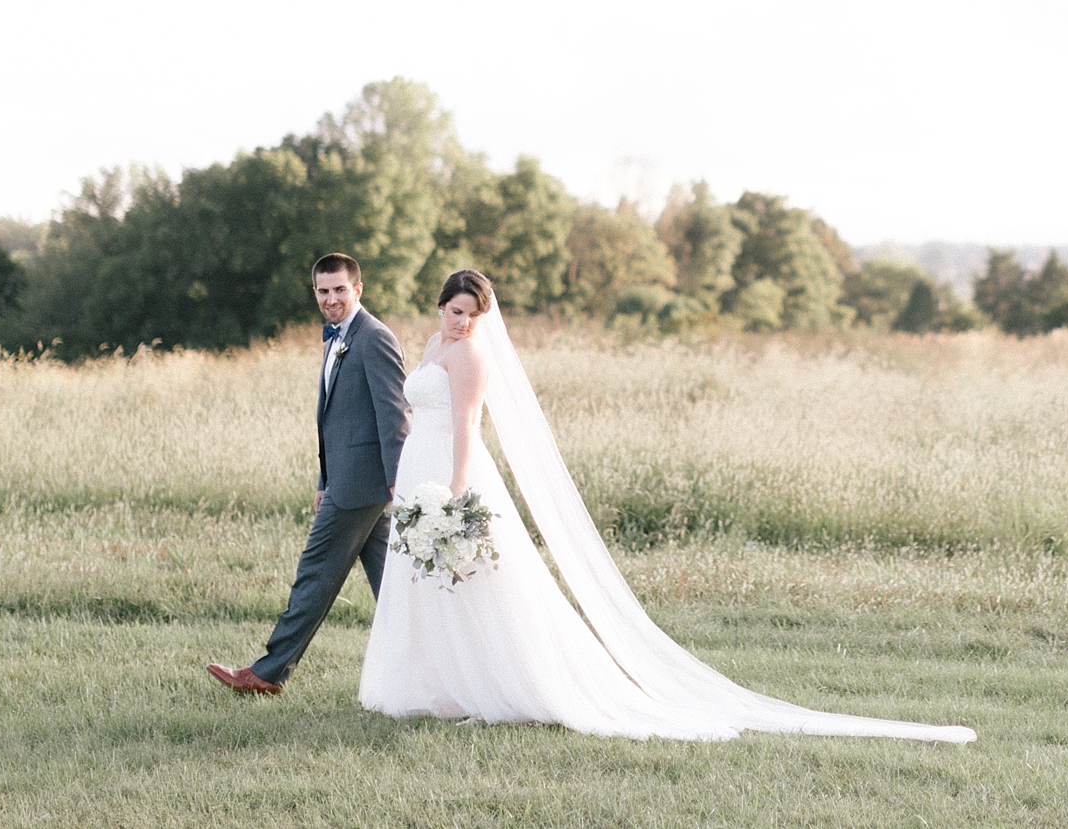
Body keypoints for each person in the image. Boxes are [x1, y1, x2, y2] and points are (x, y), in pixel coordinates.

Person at [358, 268, 975, 743]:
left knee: (473, 582)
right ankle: (437, 685)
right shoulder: (435, 343)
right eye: (455, 310)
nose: (461, 321)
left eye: (471, 314)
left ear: (482, 319)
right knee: (426, 580)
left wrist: (457, 495)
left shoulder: (469, 355)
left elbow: (468, 426)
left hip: (453, 475)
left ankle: (489, 689)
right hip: (420, 470)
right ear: (440, 306)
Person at [209, 253, 410, 695]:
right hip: (346, 481)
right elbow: (334, 419)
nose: (331, 299)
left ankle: (267, 673)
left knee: (314, 575)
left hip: (364, 486)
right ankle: (432, 667)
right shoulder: (337, 339)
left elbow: (394, 415)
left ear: (357, 289)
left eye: (340, 289)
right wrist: (324, 481)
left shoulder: (373, 337)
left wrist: (398, 479)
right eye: (323, 291)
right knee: (395, 585)